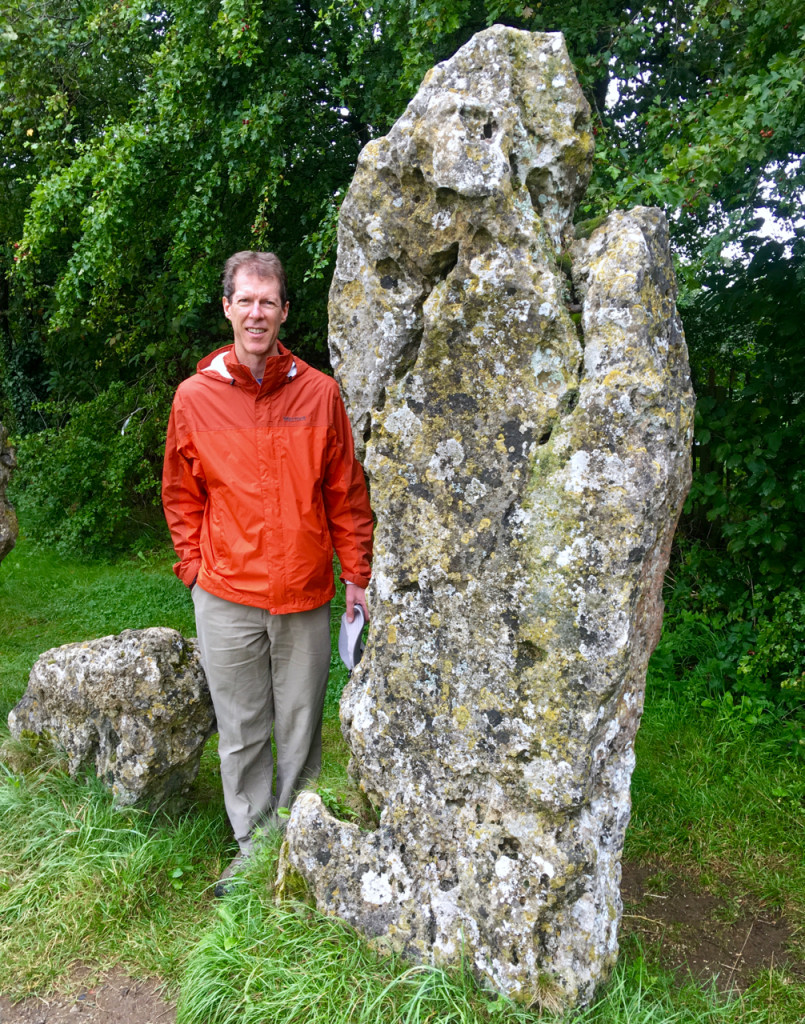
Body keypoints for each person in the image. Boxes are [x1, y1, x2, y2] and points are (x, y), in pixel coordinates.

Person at [162, 251, 372, 894]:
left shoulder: (318, 393)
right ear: (227, 307)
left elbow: (345, 493)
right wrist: (195, 568)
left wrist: (356, 574)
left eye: (268, 302)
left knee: (301, 727)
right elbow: (180, 492)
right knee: (242, 730)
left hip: (305, 594)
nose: (257, 313)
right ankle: (253, 851)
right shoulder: (194, 398)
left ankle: (296, 843)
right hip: (225, 596)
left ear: (284, 311)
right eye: (245, 300)